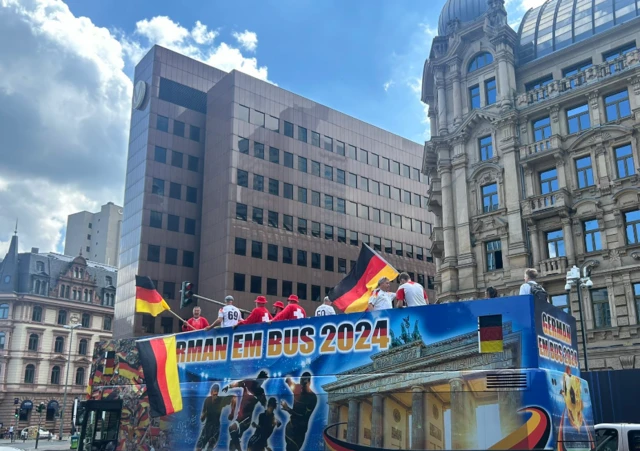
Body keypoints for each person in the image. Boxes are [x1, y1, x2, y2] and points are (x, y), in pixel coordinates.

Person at [222, 370, 269, 451]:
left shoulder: (261, 391)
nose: (262, 382)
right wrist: (228, 387)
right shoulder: (248, 383)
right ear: (258, 378)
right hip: (239, 417)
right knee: (232, 442)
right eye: (262, 380)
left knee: (232, 429)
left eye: (264, 381)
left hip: (246, 419)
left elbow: (265, 404)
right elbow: (238, 383)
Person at [281, 372, 318, 451]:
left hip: (300, 431)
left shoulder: (312, 398)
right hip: (291, 427)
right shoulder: (298, 388)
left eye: (304, 384)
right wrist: (288, 380)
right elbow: (290, 384)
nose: (302, 387)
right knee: (289, 448)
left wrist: (288, 409)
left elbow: (304, 417)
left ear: (309, 382)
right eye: (301, 384)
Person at [196, 384, 235, 451]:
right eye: (213, 393)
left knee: (209, 448)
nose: (214, 396)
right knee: (198, 448)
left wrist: (232, 413)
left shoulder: (221, 400)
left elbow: (234, 398)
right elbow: (202, 419)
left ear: (217, 393)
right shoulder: (207, 400)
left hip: (215, 429)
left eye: (216, 394)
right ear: (211, 392)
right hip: (207, 427)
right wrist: (204, 414)